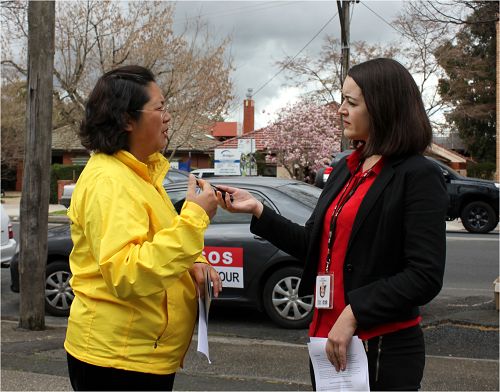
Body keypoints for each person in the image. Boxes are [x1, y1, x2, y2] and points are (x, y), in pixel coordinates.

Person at [215, 58, 448, 391]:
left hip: (380, 344)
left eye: (351, 102)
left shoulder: (418, 175)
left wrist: (354, 313)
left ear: (383, 108)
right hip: (326, 339)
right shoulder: (345, 169)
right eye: (343, 99)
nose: (340, 109)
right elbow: (313, 244)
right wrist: (258, 211)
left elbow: (424, 276)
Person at [64, 65, 222, 391]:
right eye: (160, 108)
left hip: (140, 355)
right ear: (127, 119)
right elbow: (126, 272)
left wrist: (194, 263)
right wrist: (193, 218)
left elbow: (158, 242)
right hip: (115, 360)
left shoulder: (141, 174)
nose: (168, 117)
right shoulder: (109, 180)